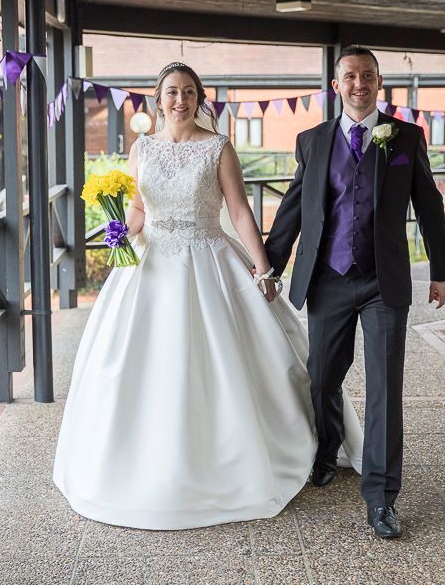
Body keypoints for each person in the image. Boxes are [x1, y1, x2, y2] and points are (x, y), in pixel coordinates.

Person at [53, 62, 362, 530]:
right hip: (150, 265)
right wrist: (120, 232)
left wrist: (263, 269)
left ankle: (257, 450)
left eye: (189, 92)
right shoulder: (142, 148)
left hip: (208, 258)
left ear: (199, 98)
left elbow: (239, 212)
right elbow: (137, 208)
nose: (180, 100)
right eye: (172, 92)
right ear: (158, 99)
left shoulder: (218, 147)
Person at [265, 45, 445, 540]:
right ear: (336, 85)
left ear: (379, 82)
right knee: (322, 377)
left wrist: (441, 269)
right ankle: (327, 449)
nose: (359, 83)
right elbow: (294, 208)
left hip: (382, 281)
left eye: (367, 75)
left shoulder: (406, 137)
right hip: (328, 279)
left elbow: (429, 204)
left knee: (385, 388)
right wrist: (268, 267)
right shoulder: (311, 141)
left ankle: (382, 498)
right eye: (350, 76)